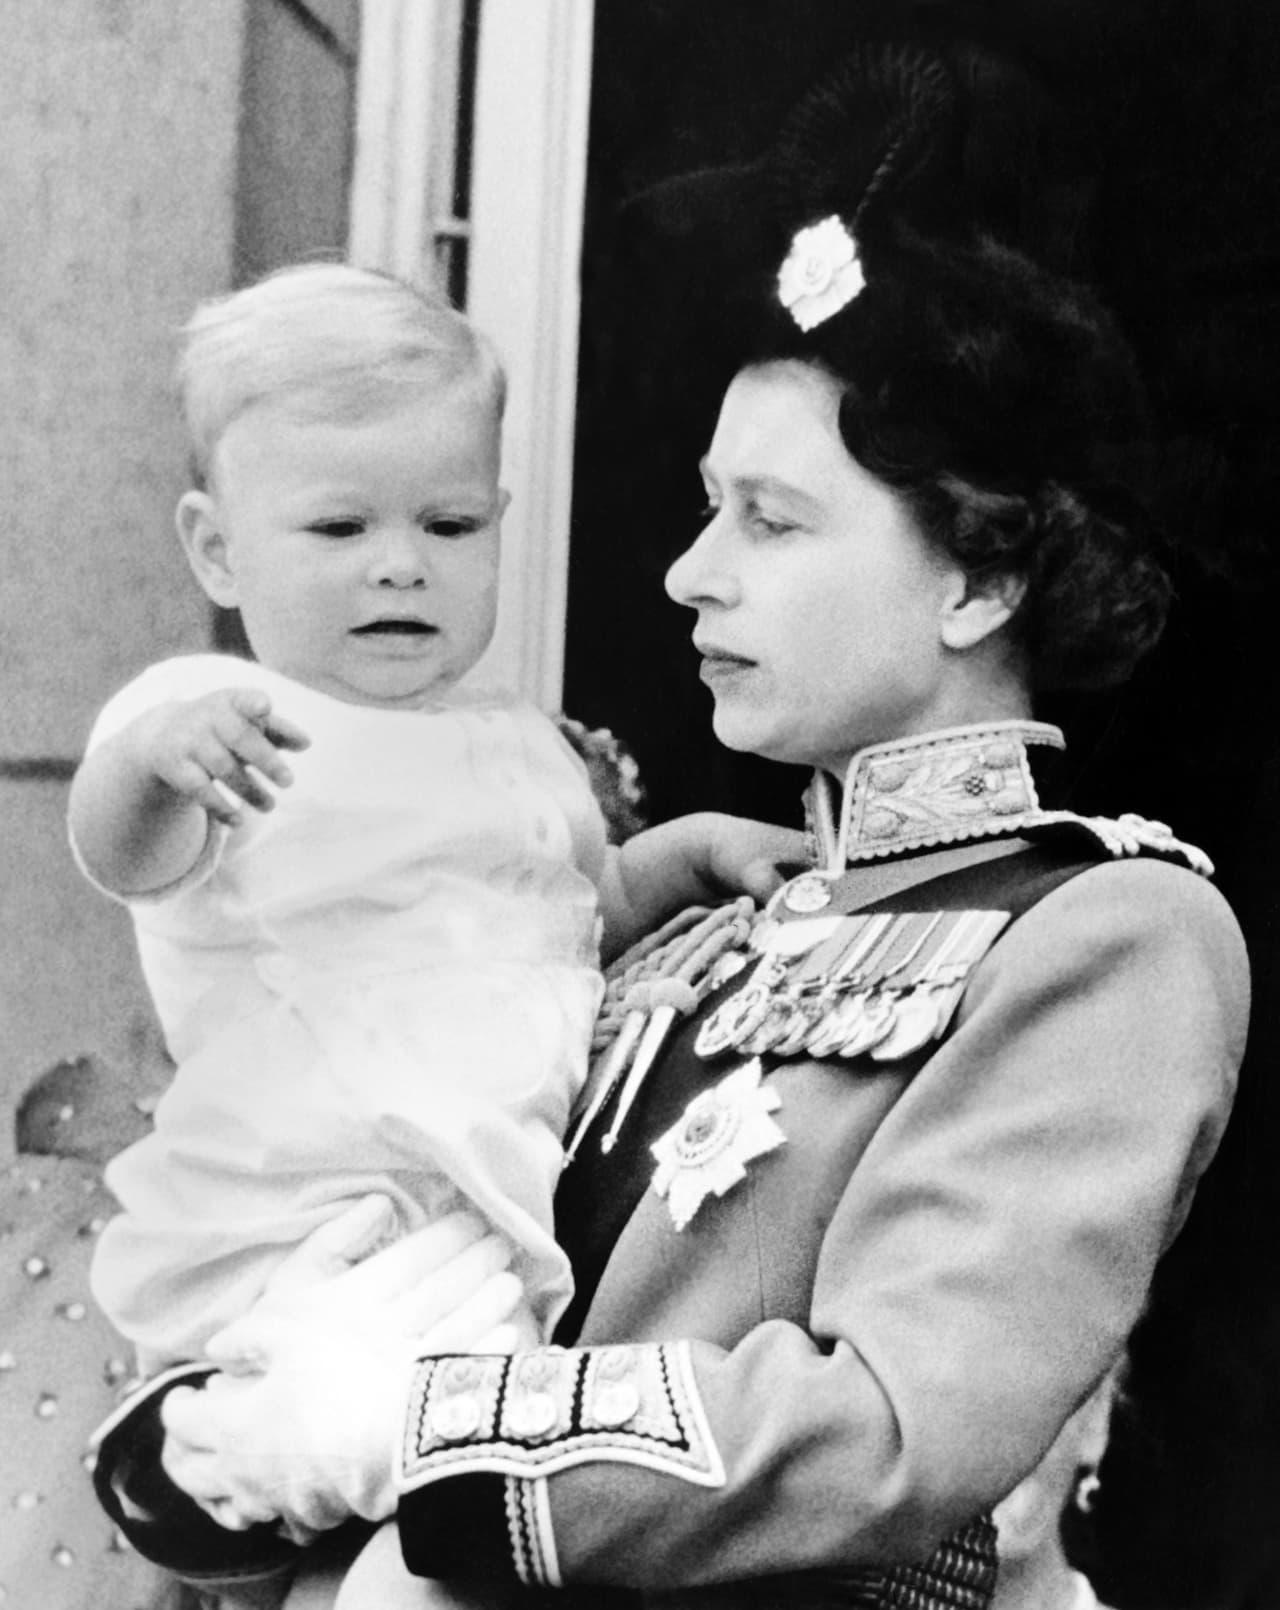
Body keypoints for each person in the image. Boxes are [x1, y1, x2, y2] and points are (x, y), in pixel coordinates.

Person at [91, 41, 1248, 1610]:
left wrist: (413, 1429)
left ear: (980, 578)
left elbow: (901, 1436)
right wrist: (215, 1441)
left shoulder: (1104, 933)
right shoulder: (695, 933)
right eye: (710, 507)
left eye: (768, 522)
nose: (688, 574)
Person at [68, 262, 794, 1607]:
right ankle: (208, 1460)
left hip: (481, 1231)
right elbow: (124, 849)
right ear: (218, 548)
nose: (401, 560)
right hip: (302, 1231)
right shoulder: (229, 714)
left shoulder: (516, 742)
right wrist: (156, 759)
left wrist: (680, 859)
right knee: (373, 1437)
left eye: (450, 523)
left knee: (476, 1507)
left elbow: (565, 919)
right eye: (339, 526)